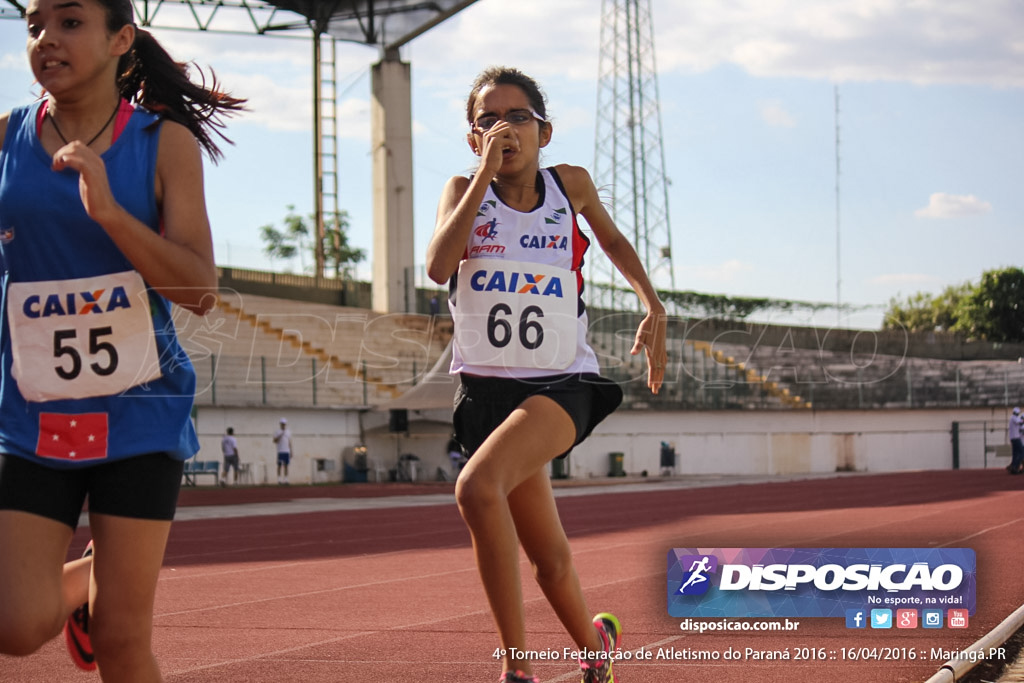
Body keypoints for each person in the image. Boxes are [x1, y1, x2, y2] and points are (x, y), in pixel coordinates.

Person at [0, 0, 244, 679]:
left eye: (70, 21)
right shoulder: (5, 140)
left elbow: (198, 289)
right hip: (32, 415)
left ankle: (97, 603)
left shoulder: (163, 143)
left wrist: (109, 214)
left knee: (122, 637)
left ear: (121, 40)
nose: (47, 38)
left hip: (139, 415)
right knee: (15, 626)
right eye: (34, 26)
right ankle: (80, 583)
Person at [426, 66, 667, 683]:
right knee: (551, 561)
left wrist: (652, 303)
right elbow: (437, 267)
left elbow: (611, 242)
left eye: (518, 117)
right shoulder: (461, 190)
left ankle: (517, 671)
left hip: (560, 386)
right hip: (486, 396)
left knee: (476, 491)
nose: (504, 127)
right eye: (488, 120)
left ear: (545, 130)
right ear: (473, 138)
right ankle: (596, 648)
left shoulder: (571, 186)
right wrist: (482, 175)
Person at [272, 418, 292, 485]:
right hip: (280, 451)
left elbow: (289, 442)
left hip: (286, 451)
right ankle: (279, 480)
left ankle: (286, 480)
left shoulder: (288, 432)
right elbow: (274, 441)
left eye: (284, 424)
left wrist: (291, 451)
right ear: (280, 424)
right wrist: (280, 435)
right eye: (282, 424)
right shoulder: (277, 432)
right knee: (279, 465)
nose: (283, 425)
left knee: (286, 465)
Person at [1008, 407, 1023, 474]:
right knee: (1021, 452)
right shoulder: (1014, 418)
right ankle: (1015, 466)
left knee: (1016, 453)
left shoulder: (1014, 418)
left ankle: (1013, 467)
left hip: (1014, 438)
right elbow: (1019, 422)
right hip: (1016, 438)